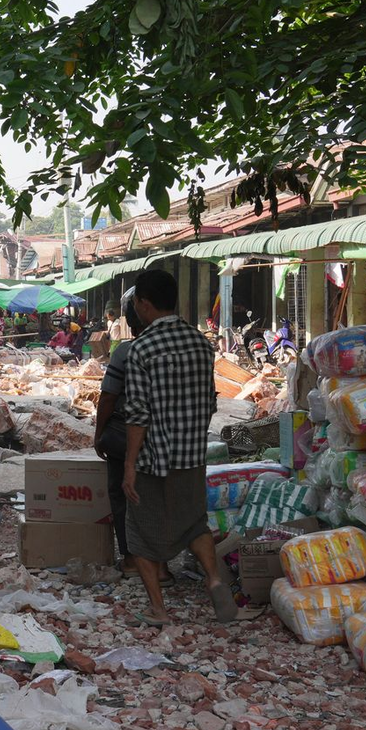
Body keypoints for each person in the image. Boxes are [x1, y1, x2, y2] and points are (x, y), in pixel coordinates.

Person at [122, 268, 237, 626]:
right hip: (192, 454)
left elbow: (138, 415)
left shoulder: (141, 348)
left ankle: (159, 609)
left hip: (154, 457)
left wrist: (128, 465)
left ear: (143, 304)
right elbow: (209, 401)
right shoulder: (202, 344)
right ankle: (215, 579)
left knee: (140, 532)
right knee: (194, 524)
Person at [93, 289, 171, 582]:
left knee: (123, 495)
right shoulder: (179, 348)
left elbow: (109, 397)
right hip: (167, 437)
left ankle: (130, 560)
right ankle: (161, 564)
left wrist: (99, 433)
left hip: (128, 438)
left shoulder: (126, 351)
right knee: (158, 497)